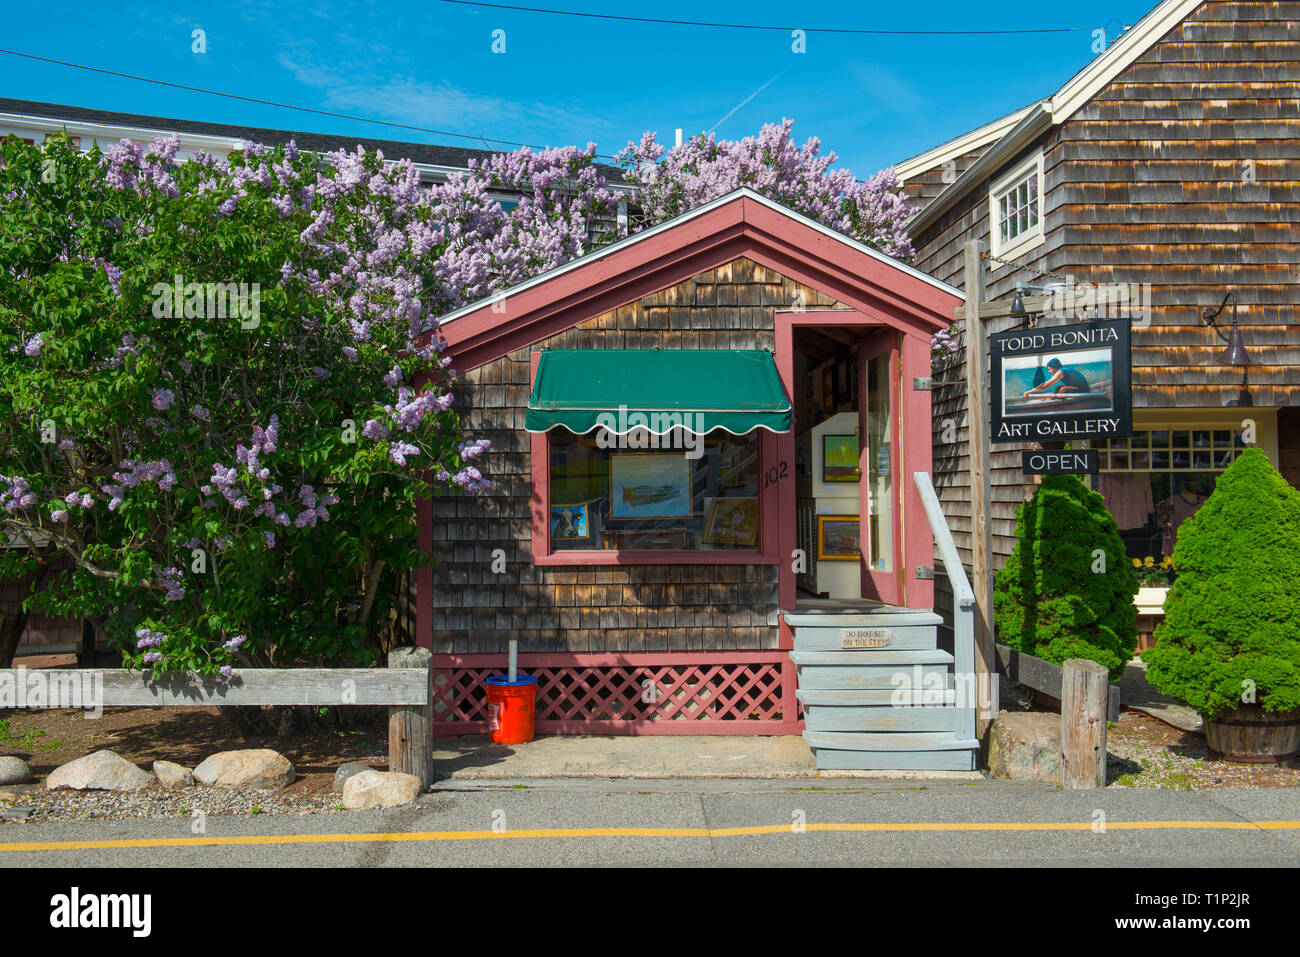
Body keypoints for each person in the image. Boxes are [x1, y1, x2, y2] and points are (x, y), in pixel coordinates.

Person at [1022, 358, 1091, 397]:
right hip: (1078, 388)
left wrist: (1029, 392)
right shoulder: (1063, 370)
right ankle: (1052, 398)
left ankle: (1054, 401)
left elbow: (1046, 385)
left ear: (1055, 368)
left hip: (1084, 391)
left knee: (1063, 389)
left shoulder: (1060, 372)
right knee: (1058, 388)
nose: (1049, 372)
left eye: (1050, 369)